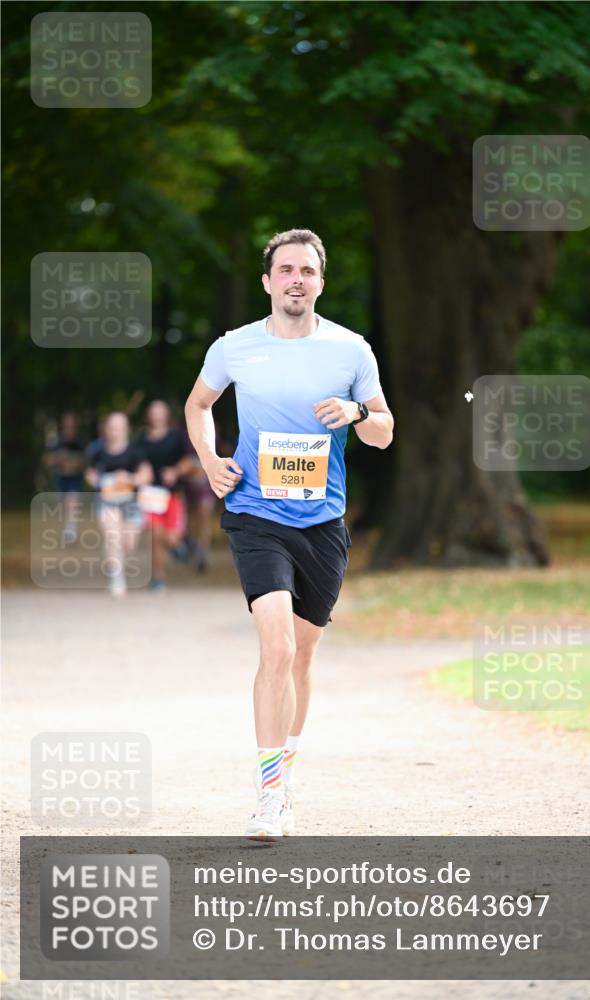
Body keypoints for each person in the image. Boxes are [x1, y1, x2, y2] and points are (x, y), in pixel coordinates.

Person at [185, 228, 393, 839]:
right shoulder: (235, 347)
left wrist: (357, 412)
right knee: (275, 650)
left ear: (320, 282)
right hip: (256, 514)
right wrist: (210, 460)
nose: (296, 280)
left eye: (306, 271)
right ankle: (269, 796)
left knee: (301, 657)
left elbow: (384, 431)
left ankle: (285, 776)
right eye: (286, 270)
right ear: (267, 281)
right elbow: (198, 405)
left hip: (322, 522)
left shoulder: (350, 351)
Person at [84, 412, 152, 598]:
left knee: (128, 544)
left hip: (131, 503)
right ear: (106, 430)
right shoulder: (98, 452)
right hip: (107, 502)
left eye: (119, 427)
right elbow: (90, 473)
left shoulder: (135, 452)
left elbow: (147, 475)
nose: (115, 431)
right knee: (113, 535)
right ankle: (117, 579)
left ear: (126, 429)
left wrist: (129, 478)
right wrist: (99, 481)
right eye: (112, 427)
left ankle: (112, 555)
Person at [136, 400, 194, 592]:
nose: (156, 415)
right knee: (155, 535)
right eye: (153, 411)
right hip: (150, 496)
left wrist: (175, 471)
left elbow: (188, 461)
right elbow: (134, 462)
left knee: (171, 539)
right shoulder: (141, 439)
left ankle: (179, 545)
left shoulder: (176, 436)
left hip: (172, 495)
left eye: (160, 411)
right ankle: (158, 577)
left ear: (166, 415)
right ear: (148, 415)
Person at [43, 412, 87, 544]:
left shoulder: (81, 442)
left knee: (72, 501)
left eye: (72, 425)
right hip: (60, 480)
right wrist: (58, 458)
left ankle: (71, 529)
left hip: (75, 479)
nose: (69, 428)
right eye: (67, 425)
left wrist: (75, 462)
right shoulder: (56, 442)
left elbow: (88, 461)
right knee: (63, 506)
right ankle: (68, 527)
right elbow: (47, 460)